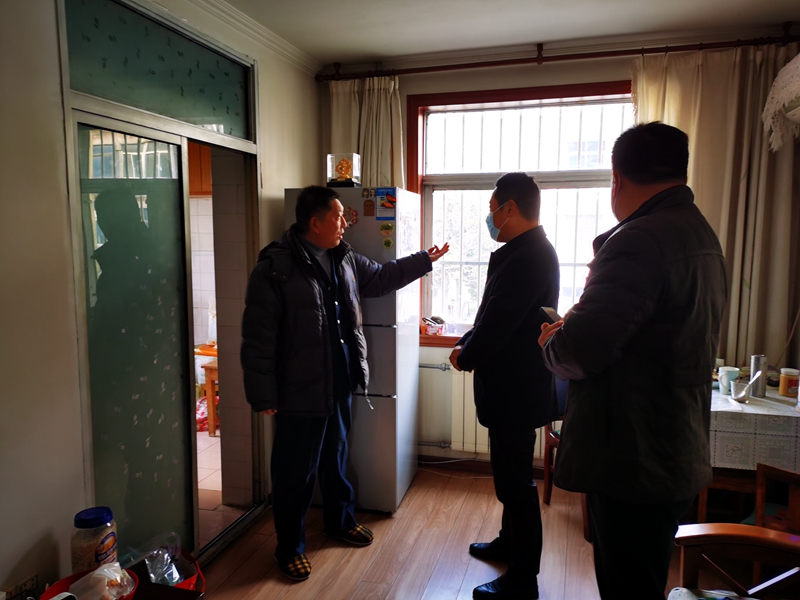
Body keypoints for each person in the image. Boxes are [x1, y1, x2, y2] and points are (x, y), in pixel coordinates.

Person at [538, 122, 727, 600]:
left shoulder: (638, 240)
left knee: (627, 587)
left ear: (617, 179)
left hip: (632, 457)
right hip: (671, 448)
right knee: (643, 581)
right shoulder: (699, 232)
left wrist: (552, 342)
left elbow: (580, 351)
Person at [241, 185, 449, 582]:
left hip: (339, 380)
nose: (345, 223)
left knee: (335, 456)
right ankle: (289, 548)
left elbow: (382, 278)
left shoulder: (344, 256)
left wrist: (424, 260)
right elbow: (258, 337)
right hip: (298, 387)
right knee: (295, 472)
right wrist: (262, 393)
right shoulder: (275, 266)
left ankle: (339, 522)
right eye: (338, 216)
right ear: (315, 222)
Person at [449, 172, 559, 600]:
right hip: (514, 387)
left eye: (493, 208)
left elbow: (498, 325)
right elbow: (490, 315)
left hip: (515, 389)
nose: (490, 217)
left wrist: (466, 355)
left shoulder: (529, 256)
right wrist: (466, 341)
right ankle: (507, 542)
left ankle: (522, 578)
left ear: (510, 208)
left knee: (515, 484)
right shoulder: (524, 251)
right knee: (510, 477)